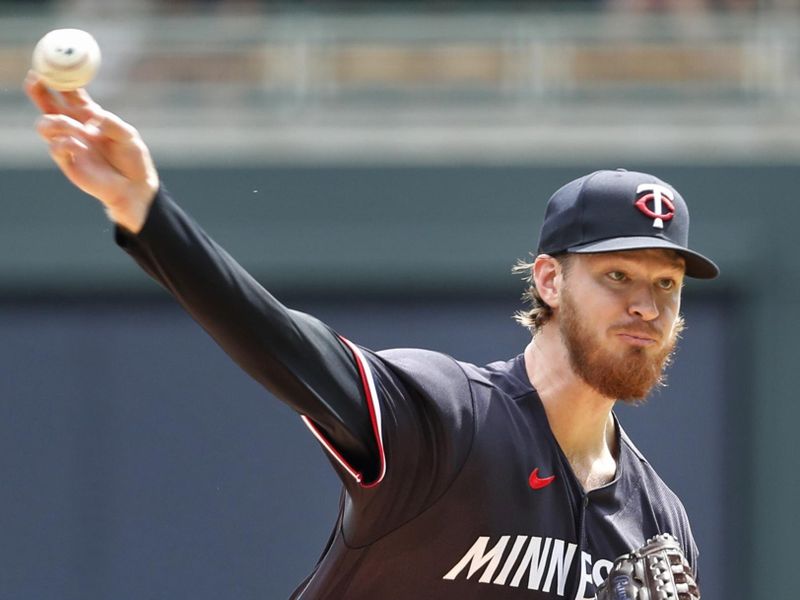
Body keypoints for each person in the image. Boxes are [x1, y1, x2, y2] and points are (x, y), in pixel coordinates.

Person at [25, 70, 713, 599]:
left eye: (665, 285)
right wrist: (146, 213)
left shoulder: (660, 525)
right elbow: (279, 342)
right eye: (618, 276)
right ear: (551, 281)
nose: (646, 306)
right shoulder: (447, 417)